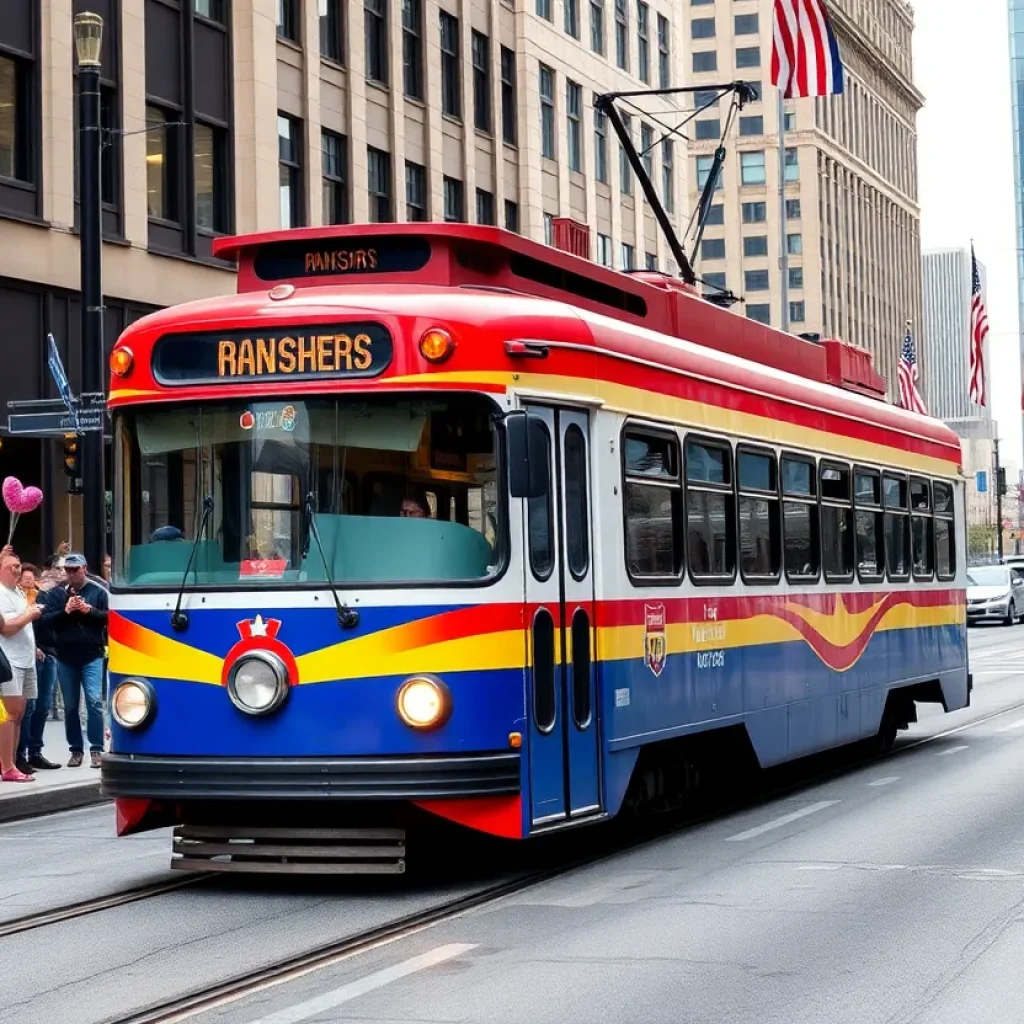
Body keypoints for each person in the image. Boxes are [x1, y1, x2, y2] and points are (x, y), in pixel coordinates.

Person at [38, 552, 108, 768]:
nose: (72, 573)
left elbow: (110, 617)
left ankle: (96, 748)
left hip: (92, 654)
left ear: (84, 568)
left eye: (75, 569)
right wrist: (65, 611)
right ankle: (76, 749)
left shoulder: (98, 591)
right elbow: (47, 621)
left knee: (94, 702)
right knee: (70, 707)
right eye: (68, 570)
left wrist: (89, 611)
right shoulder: (57, 594)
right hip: (66, 656)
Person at [0, 550, 42, 782]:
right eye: (11, 566)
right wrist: (30, 615)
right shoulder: (0, 592)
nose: (16, 570)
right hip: (9, 661)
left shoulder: (18, 591)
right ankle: (7, 766)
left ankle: (10, 761)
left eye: (18, 565)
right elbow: (5, 628)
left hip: (26, 659)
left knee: (19, 714)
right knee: (9, 714)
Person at [17, 563, 60, 771]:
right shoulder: (17, 599)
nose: (28, 583)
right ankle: (21, 753)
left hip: (49, 653)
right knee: (28, 708)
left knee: (42, 706)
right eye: (23, 580)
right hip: (30, 654)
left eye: (30, 579)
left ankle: (35, 752)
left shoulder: (46, 597)